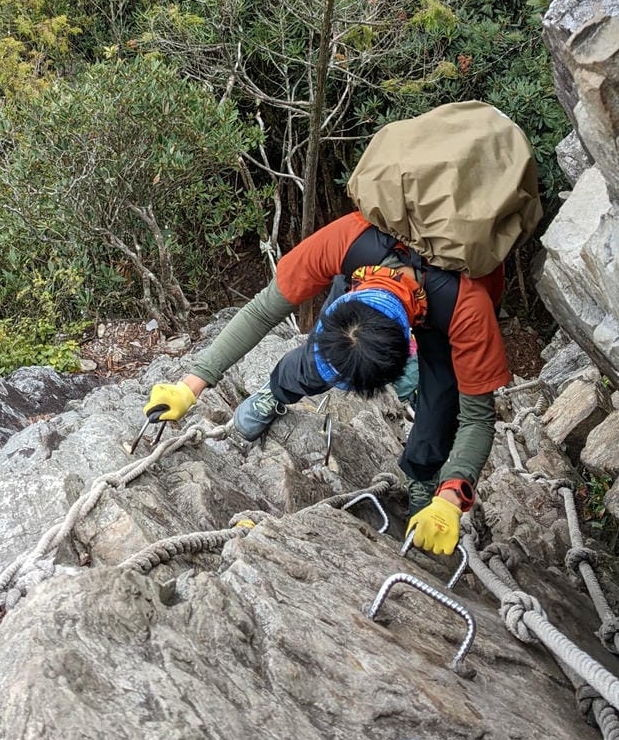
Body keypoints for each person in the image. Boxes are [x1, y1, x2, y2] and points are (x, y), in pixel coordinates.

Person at [144, 210, 515, 557]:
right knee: (315, 364)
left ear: (407, 352)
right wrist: (190, 385)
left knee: (440, 405)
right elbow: (262, 310)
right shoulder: (349, 240)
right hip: (371, 281)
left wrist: (452, 498)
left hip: (443, 312)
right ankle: (275, 392)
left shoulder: (468, 309)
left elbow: (477, 418)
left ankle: (423, 475)